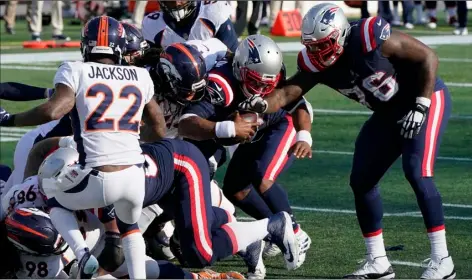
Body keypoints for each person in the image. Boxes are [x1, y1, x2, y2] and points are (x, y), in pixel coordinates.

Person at [239, 3, 454, 279]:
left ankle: (443, 260)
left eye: (323, 44)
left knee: (417, 172)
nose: (317, 52)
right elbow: (285, 95)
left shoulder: (368, 35)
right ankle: (377, 261)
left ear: (340, 34)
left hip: (424, 99)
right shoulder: (315, 62)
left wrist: (422, 104)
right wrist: (258, 105)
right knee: (362, 179)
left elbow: (428, 57)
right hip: (388, 112)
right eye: (312, 46)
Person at [0, 15, 166, 279]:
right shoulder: (140, 76)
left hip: (98, 176)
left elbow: (55, 110)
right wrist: (132, 139)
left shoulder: (75, 69)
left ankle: (81, 253)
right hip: (135, 177)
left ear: (86, 45)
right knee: (130, 227)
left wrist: (11, 119)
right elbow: (159, 129)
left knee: (51, 192)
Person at [178, 35, 313, 277]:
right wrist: (226, 129)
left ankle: (295, 231)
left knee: (263, 177)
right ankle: (272, 229)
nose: (261, 91)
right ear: (240, 69)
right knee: (236, 189)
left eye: (266, 85)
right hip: (249, 131)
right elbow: (186, 125)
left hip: (282, 124)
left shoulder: (272, 75)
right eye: (255, 82)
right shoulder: (223, 85)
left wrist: (304, 135)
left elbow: (297, 103)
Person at [142, 0, 238, 52]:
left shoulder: (213, 10)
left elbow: (233, 58)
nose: (176, 3)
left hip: (213, 76)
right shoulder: (152, 24)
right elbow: (150, 66)